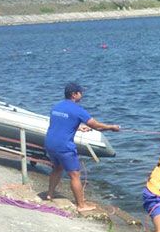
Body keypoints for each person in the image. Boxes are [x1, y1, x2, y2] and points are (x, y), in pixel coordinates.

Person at [44, 82, 120, 212]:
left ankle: (50, 194)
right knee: (74, 175)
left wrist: (77, 127)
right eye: (80, 92)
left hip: (50, 143)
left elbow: (60, 123)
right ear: (74, 94)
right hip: (64, 146)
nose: (82, 94)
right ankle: (81, 205)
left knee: (57, 168)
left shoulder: (57, 106)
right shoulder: (78, 110)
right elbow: (95, 125)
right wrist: (111, 127)